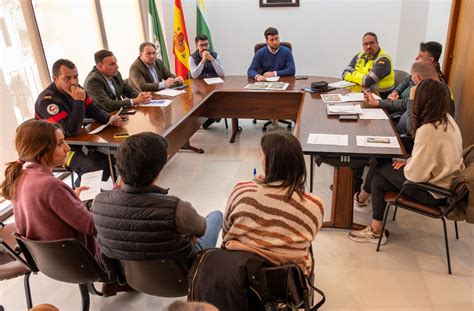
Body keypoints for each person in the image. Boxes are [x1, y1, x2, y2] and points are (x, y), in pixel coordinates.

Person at [349, 79, 464, 244]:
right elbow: (432, 157)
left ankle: (362, 201)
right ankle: (374, 227)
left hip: (433, 192)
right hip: (445, 185)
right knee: (379, 179)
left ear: (422, 101)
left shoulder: (428, 130)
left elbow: (414, 176)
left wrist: (409, 163)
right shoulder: (448, 120)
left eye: (414, 98)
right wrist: (411, 159)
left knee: (379, 162)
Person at [92, 132, 223, 264]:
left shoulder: (98, 202)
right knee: (216, 215)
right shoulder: (177, 209)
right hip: (183, 274)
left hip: (130, 276)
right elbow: (201, 230)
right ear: (158, 171)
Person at [222, 132, 324, 275]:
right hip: (286, 283)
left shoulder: (241, 191)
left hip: (240, 277)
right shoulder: (315, 206)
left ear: (268, 161)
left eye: (260, 153)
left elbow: (226, 235)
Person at [0, 120, 96, 257]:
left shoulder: (20, 176)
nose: (68, 148)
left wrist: (70, 200)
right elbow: (92, 227)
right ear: (42, 151)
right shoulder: (52, 186)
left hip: (47, 260)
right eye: (60, 143)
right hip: (78, 261)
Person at [35, 59, 122, 186]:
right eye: (67, 78)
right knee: (94, 164)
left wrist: (109, 119)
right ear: (55, 78)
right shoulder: (47, 101)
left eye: (76, 77)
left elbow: (94, 110)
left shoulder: (77, 89)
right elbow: (71, 130)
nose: (74, 82)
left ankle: (83, 192)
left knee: (111, 159)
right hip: (53, 150)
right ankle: (78, 198)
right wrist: (78, 101)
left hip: (75, 143)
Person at [364, 59, 455, 138]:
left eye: (412, 76)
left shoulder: (435, 95)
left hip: (405, 139)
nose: (410, 78)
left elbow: (413, 130)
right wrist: (377, 102)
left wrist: (412, 100)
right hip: (399, 129)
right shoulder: (429, 88)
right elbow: (403, 103)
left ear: (418, 78)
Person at [84, 50, 152, 112]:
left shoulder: (115, 73)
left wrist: (141, 95)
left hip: (117, 113)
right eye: (112, 64)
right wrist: (135, 101)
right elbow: (107, 105)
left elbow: (127, 89)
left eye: (116, 63)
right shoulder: (93, 81)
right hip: (101, 119)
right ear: (100, 66)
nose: (117, 66)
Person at [342, 32, 395, 98]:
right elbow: (344, 73)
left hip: (381, 98)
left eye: (371, 43)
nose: (368, 46)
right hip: (361, 93)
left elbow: (368, 81)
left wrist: (353, 74)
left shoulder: (384, 60)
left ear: (377, 43)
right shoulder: (359, 56)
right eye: (365, 44)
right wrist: (361, 78)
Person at [189, 34, 225, 129]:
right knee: (201, 98)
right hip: (199, 86)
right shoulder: (192, 58)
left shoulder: (215, 55)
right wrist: (203, 60)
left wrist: (212, 60)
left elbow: (221, 73)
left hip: (214, 84)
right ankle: (209, 117)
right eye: (201, 45)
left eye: (206, 45)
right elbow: (194, 75)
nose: (204, 48)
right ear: (197, 46)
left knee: (221, 98)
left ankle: (213, 116)